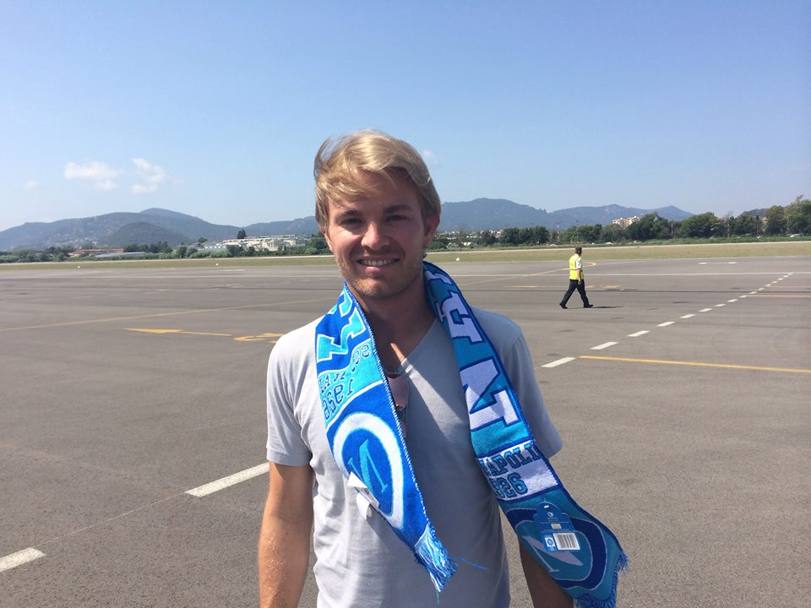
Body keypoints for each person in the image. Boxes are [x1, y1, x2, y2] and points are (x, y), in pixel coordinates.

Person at [258, 130, 572, 608]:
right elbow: (287, 515)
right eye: (352, 219)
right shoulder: (295, 356)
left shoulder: (494, 347)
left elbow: (538, 513)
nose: (374, 238)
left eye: (395, 216)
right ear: (326, 230)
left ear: (430, 223)